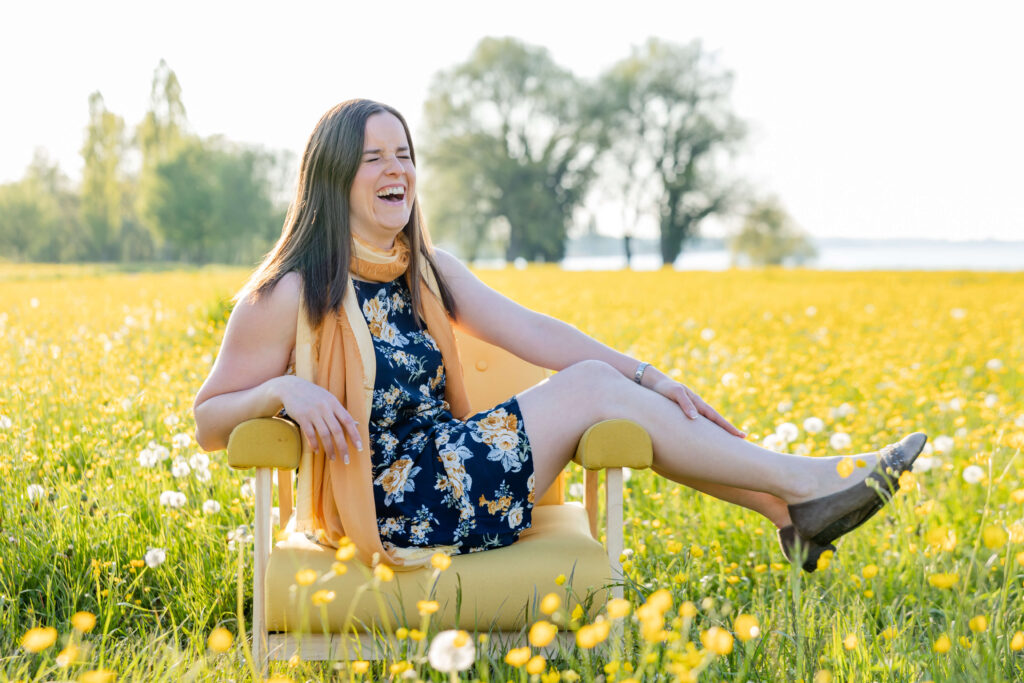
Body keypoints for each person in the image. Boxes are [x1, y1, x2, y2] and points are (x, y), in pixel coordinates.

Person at [193, 99, 925, 572]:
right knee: (591, 389)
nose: (398, 170)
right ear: (332, 176)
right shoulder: (289, 291)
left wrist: (653, 378)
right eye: (375, 156)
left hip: (452, 468)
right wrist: (283, 389)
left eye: (406, 154)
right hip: (396, 504)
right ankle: (802, 484)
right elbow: (207, 420)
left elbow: (536, 333)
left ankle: (790, 509)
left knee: (600, 386)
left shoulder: (426, 270)